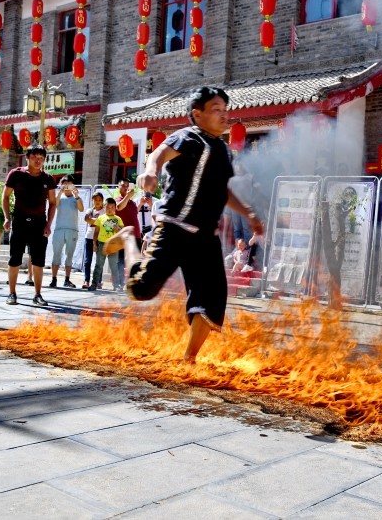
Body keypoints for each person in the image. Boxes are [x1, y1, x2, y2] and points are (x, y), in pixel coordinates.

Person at [110, 86, 264, 363]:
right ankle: (128, 237)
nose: (224, 115)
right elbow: (158, 154)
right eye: (216, 109)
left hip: (205, 237)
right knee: (141, 290)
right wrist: (149, 171)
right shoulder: (187, 137)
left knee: (213, 299)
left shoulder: (224, 152)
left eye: (225, 110)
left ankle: (189, 358)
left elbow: (223, 191)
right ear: (198, 114)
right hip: (174, 228)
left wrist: (249, 213)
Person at [2, 144, 57, 306]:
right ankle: (12, 293)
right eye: (34, 157)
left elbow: (53, 203)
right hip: (19, 222)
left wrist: (48, 224)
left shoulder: (48, 179)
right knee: (15, 259)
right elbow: (5, 197)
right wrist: (7, 218)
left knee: (39, 261)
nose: (38, 160)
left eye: (41, 158)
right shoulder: (16, 174)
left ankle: (38, 295)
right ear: (27, 157)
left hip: (39, 224)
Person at [49, 175, 84, 288]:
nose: (67, 187)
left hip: (72, 230)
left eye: (69, 184)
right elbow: (55, 204)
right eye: (64, 184)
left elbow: (81, 209)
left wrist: (77, 195)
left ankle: (67, 279)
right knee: (56, 255)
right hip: (59, 230)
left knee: (69, 255)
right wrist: (60, 191)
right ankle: (54, 279)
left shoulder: (76, 198)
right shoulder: (59, 197)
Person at [89, 198, 124, 291]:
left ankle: (116, 285)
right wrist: (94, 244)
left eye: (112, 207)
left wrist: (117, 228)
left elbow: (122, 233)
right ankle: (94, 284)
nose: (110, 209)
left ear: (115, 208)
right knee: (99, 264)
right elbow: (96, 232)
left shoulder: (118, 219)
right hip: (101, 243)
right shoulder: (101, 218)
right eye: (108, 207)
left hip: (113, 245)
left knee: (114, 266)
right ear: (104, 207)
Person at [114, 179, 143, 289]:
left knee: (135, 260)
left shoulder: (132, 202)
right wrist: (128, 196)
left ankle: (133, 283)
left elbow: (135, 213)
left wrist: (141, 203)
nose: (126, 188)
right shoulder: (118, 199)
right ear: (118, 187)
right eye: (123, 186)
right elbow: (119, 207)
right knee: (121, 260)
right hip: (125, 235)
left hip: (136, 234)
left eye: (127, 186)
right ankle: (120, 283)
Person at [82, 192, 105, 289]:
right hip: (89, 237)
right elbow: (86, 218)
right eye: (95, 200)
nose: (97, 202)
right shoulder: (90, 210)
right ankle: (86, 280)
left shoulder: (104, 211)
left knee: (99, 261)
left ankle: (98, 281)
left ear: (102, 201)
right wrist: (97, 221)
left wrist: (93, 220)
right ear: (92, 200)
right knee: (88, 260)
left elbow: (103, 222)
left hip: (100, 238)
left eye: (100, 200)